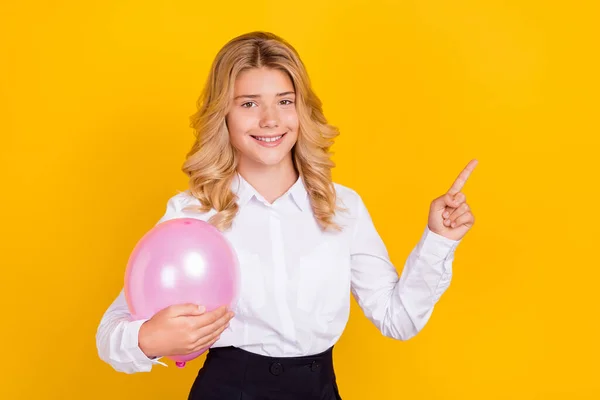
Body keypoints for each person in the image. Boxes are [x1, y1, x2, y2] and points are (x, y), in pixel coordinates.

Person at [96, 31, 477, 400]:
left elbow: (399, 319)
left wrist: (438, 240)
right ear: (223, 115)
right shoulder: (193, 214)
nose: (270, 120)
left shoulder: (342, 206)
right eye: (248, 103)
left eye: (284, 101)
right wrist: (149, 339)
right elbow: (111, 336)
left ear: (302, 109)